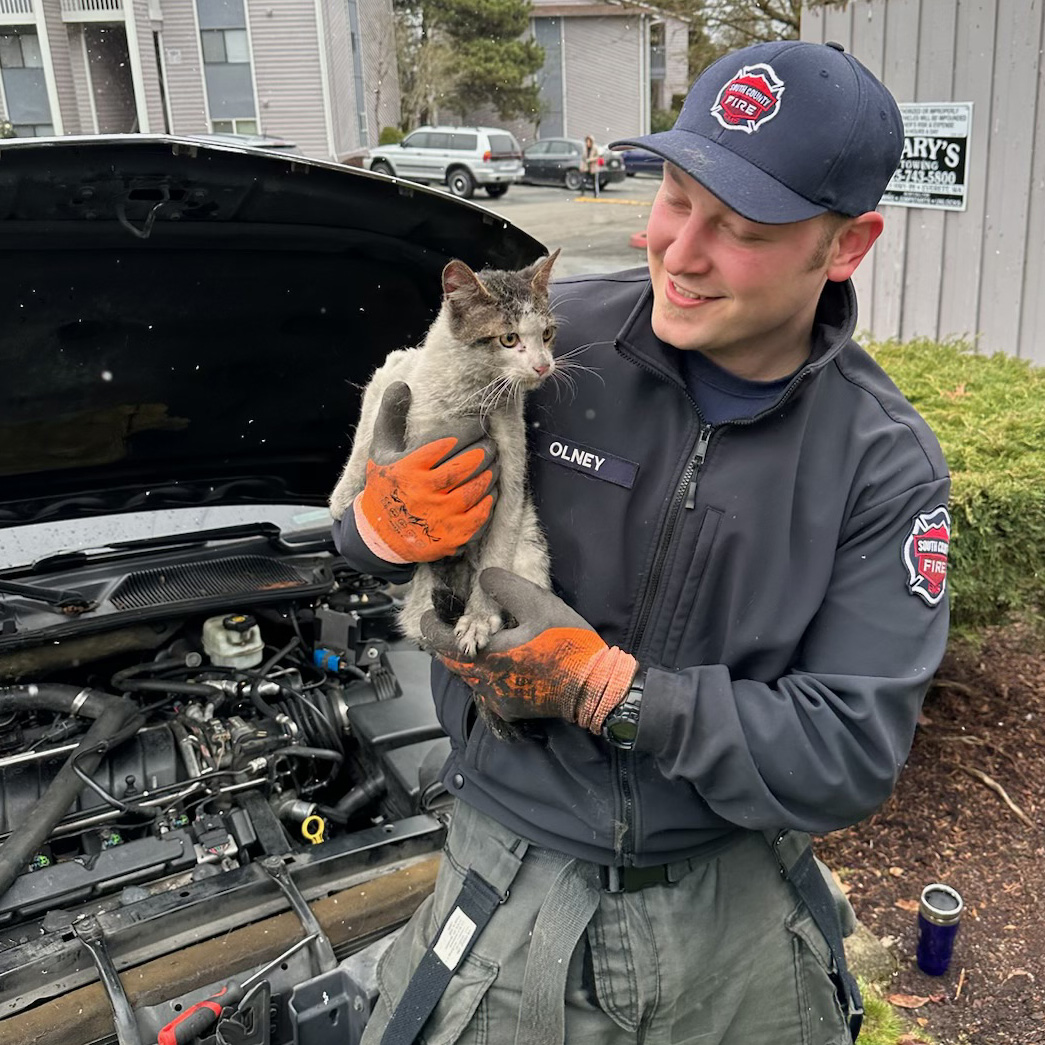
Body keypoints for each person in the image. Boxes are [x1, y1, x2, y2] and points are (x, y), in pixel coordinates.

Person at [333, 39, 950, 1045]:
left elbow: (846, 754)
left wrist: (611, 692)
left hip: (733, 915)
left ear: (843, 246)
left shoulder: (881, 465)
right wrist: (374, 523)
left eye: (740, 227)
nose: (677, 249)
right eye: (674, 193)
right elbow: (368, 520)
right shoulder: (543, 341)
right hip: (505, 882)